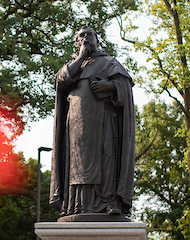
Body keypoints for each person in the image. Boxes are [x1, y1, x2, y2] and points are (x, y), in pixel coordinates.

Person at [50, 26, 135, 218]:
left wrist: (109, 86)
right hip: (76, 126)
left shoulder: (109, 63)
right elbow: (61, 82)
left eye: (90, 35)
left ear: (97, 40)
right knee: (77, 163)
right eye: (81, 36)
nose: (86, 38)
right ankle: (77, 204)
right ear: (77, 42)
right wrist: (81, 57)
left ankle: (108, 202)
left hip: (103, 120)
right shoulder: (73, 66)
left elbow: (125, 88)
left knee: (106, 157)